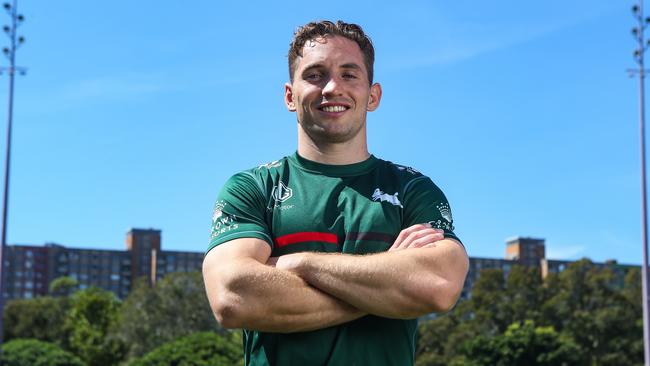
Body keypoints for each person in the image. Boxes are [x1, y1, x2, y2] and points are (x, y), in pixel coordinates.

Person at [202, 20, 469, 366]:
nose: (332, 88)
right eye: (314, 74)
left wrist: (295, 263)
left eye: (349, 74)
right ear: (289, 96)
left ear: (372, 95)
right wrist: (389, 283)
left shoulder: (412, 190)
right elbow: (233, 297)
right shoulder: (253, 188)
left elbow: (438, 284)